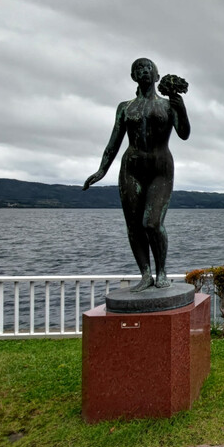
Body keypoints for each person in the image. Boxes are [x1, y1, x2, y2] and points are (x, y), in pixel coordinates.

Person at [83, 58, 191, 291]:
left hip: (160, 169)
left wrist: (180, 107)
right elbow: (114, 141)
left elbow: (184, 133)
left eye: (147, 68)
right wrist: (102, 169)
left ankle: (161, 272)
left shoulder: (168, 105)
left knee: (151, 223)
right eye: (138, 69)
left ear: (156, 75)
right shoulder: (125, 107)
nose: (143, 71)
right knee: (134, 226)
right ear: (133, 76)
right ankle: (145, 274)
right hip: (131, 170)